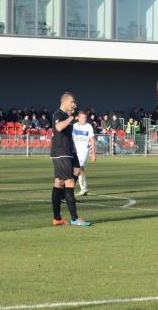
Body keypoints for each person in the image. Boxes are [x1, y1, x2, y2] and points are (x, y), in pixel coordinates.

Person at [50, 92, 91, 227]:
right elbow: (59, 127)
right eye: (72, 102)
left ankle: (57, 217)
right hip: (61, 153)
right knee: (68, 182)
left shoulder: (67, 116)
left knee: (77, 171)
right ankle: (74, 218)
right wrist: (72, 117)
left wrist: (73, 150)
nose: (74, 104)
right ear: (66, 102)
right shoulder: (59, 114)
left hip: (69, 152)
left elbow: (67, 133)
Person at [72, 111, 96, 196]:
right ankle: (84, 188)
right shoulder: (74, 126)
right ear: (78, 118)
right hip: (75, 150)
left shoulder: (88, 126)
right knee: (77, 169)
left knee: (79, 167)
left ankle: (81, 189)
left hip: (84, 150)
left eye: (85, 118)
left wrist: (93, 154)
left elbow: (92, 140)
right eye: (83, 118)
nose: (84, 119)